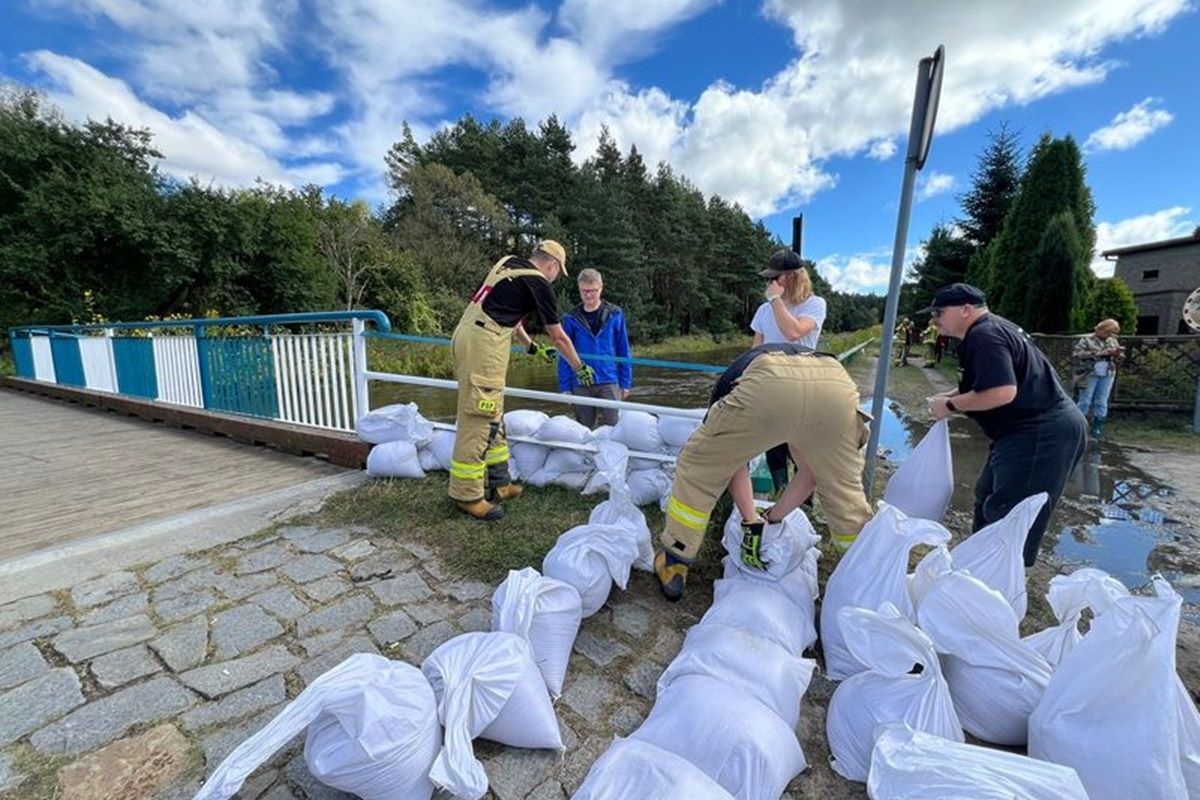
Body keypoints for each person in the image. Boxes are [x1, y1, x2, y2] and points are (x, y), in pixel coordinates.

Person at [653, 343, 873, 601]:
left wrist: (751, 520)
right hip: (835, 383)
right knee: (844, 492)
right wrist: (774, 517)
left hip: (770, 381)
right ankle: (866, 576)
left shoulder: (732, 385)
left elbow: (732, 464)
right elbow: (812, 472)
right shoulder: (797, 369)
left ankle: (675, 561)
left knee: (699, 467)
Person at [925, 283, 1087, 568]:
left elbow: (1002, 392)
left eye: (940, 312)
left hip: (1041, 432)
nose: (935, 319)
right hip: (1025, 430)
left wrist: (950, 406)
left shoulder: (985, 336)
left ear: (965, 310)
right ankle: (979, 574)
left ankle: (996, 590)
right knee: (987, 498)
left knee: (1011, 515)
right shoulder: (989, 330)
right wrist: (948, 397)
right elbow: (983, 384)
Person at [448, 240, 596, 521]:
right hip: (485, 343)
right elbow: (559, 336)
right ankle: (466, 495)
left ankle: (500, 482)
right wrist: (579, 367)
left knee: (492, 411)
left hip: (466, 334)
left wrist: (529, 345)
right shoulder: (539, 283)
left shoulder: (508, 263)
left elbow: (510, 314)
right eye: (557, 272)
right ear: (552, 265)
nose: (554, 277)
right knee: (479, 415)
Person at [750, 249, 828, 492]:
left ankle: (803, 502)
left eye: (776, 277)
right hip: (771, 387)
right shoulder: (764, 310)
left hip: (802, 386)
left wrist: (775, 301)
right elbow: (756, 349)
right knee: (774, 446)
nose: (771, 283)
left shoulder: (814, 304)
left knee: (802, 449)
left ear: (793, 277)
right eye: (769, 279)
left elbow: (794, 332)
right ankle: (781, 492)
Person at [557, 268, 633, 428]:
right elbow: (564, 352)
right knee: (584, 429)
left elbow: (623, 350)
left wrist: (626, 382)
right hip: (580, 380)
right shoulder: (570, 318)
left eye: (593, 291)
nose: (589, 295)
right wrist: (565, 387)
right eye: (584, 291)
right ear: (579, 290)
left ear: (601, 288)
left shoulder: (615, 314)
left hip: (609, 379)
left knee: (614, 426)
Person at [1072, 319, 1123, 438]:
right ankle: (1080, 425)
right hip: (1089, 373)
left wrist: (1116, 354)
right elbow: (1077, 354)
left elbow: (1120, 357)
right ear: (1101, 329)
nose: (1109, 336)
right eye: (1107, 332)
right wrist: (1099, 353)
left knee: (1102, 400)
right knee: (1085, 399)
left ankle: (1097, 426)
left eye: (1111, 333)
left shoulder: (1113, 341)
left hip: (1107, 373)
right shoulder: (1086, 339)